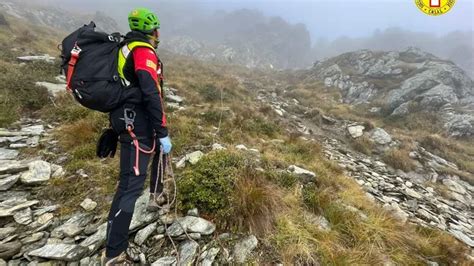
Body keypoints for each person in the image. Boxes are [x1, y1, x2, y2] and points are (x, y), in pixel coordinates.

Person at [102, 8, 172, 265]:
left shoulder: (124, 47)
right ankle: (114, 253)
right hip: (136, 124)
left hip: (128, 120)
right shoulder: (143, 51)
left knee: (156, 155)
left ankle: (156, 195)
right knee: (130, 187)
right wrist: (162, 130)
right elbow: (150, 92)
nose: (158, 35)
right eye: (157, 30)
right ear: (152, 31)